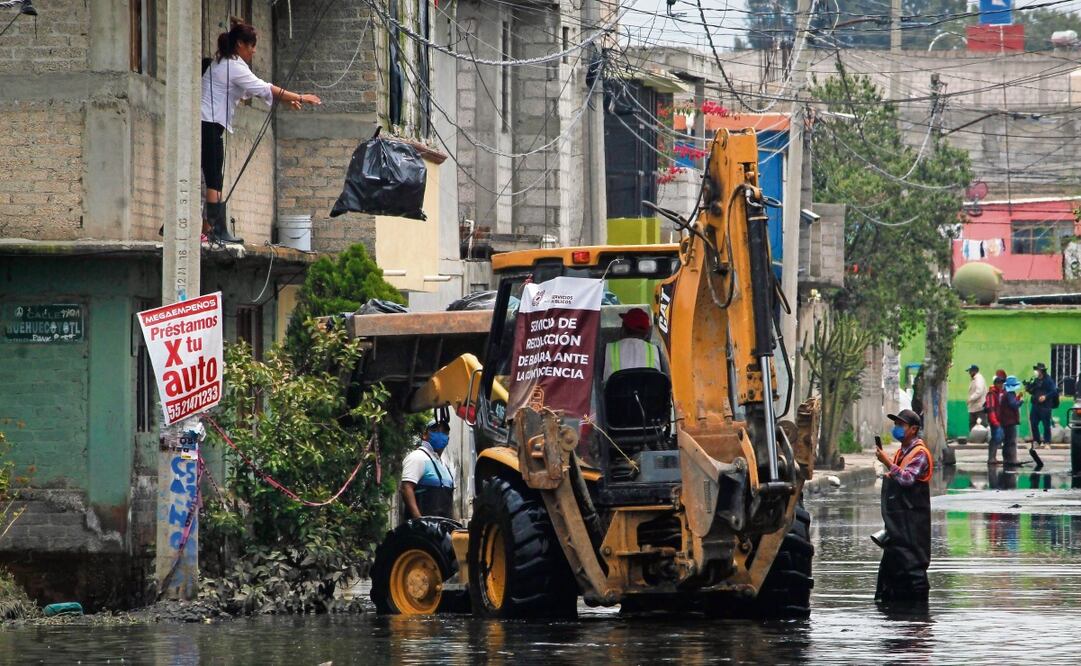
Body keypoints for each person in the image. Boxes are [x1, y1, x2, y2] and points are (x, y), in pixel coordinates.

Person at [201, 18, 322, 243]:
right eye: (251, 46)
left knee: (210, 178)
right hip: (207, 124)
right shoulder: (234, 66)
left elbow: (254, 90)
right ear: (240, 44)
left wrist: (286, 101)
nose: (254, 51)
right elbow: (263, 87)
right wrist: (300, 97)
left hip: (205, 124)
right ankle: (211, 232)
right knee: (214, 180)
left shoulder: (222, 62)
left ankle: (206, 230)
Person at [873, 408, 934, 605]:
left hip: (914, 523)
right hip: (899, 523)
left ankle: (915, 611)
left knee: (911, 564)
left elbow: (907, 479)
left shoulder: (920, 453)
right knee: (892, 565)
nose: (897, 428)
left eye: (901, 425)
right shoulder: (902, 452)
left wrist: (887, 463)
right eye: (896, 424)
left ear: (914, 429)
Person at [399, 419, 455, 523]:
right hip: (421, 533)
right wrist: (420, 522)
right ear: (425, 435)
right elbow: (406, 488)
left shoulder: (444, 465)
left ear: (448, 438)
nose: (440, 435)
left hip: (442, 530)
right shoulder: (417, 457)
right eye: (435, 430)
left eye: (444, 432)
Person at [603, 307, 666, 382]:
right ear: (646, 334)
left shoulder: (607, 350)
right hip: (649, 393)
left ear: (622, 329)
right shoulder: (656, 351)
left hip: (616, 393)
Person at [1027, 362, 1059, 449]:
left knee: (1046, 425)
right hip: (1035, 405)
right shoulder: (1036, 380)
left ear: (1041, 371)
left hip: (1045, 406)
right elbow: (1032, 391)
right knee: (1033, 423)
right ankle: (1037, 441)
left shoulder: (1048, 380)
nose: (1036, 371)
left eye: (1038, 370)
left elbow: (1054, 391)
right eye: (1036, 369)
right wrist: (1028, 388)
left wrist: (1045, 397)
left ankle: (1047, 442)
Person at [999, 375, 1023, 467]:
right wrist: (1020, 402)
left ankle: (1007, 459)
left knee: (1006, 441)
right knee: (1011, 441)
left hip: (1005, 420)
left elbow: (1011, 402)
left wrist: (1018, 397)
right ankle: (1012, 459)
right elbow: (1013, 405)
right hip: (1010, 421)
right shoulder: (1010, 394)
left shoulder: (1005, 393)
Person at [984, 375, 1005, 464]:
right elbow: (991, 409)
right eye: (999, 383)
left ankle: (993, 458)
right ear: (996, 384)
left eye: (1002, 383)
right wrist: (994, 421)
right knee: (995, 438)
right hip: (994, 420)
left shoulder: (999, 393)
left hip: (999, 419)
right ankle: (991, 458)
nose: (1001, 385)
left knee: (997, 438)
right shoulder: (991, 394)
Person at [966, 364, 987, 430]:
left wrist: (970, 399)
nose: (969, 373)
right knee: (973, 427)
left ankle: (981, 440)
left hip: (979, 408)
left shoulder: (979, 379)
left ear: (974, 371)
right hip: (974, 407)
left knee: (981, 427)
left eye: (970, 371)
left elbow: (979, 391)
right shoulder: (975, 379)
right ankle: (974, 439)